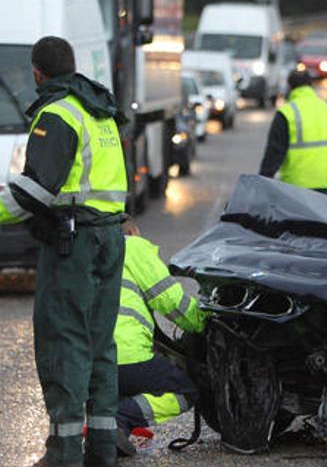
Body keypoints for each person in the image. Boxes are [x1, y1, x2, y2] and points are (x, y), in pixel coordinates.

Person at [0, 36, 127, 466]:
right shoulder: (97, 110)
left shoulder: (56, 114)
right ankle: (102, 451)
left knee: (64, 343)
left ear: (37, 72)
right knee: (99, 344)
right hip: (109, 238)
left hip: (74, 244)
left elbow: (35, 191)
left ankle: (64, 454)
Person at [114, 220, 206, 456]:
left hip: (81, 360)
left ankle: (109, 428)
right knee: (184, 391)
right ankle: (118, 419)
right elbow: (172, 302)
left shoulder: (82, 252)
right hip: (123, 354)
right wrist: (204, 321)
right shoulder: (131, 246)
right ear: (132, 231)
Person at [259, 69, 327, 194]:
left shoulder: (287, 113)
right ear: (310, 85)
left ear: (290, 87)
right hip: (324, 183)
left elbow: (274, 153)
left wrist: (262, 181)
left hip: (295, 185)